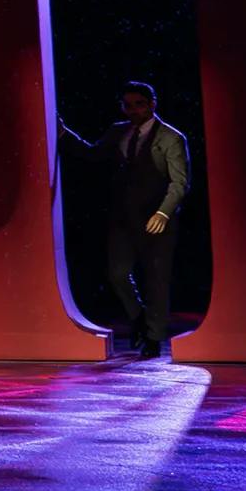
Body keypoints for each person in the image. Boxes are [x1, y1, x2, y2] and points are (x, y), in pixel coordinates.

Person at [65, 80, 192, 358]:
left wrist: (163, 212)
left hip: (156, 220)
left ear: (152, 104)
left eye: (139, 104)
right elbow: (92, 154)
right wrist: (64, 134)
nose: (133, 110)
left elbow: (179, 183)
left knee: (157, 280)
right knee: (117, 274)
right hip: (123, 218)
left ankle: (154, 337)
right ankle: (139, 319)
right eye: (128, 105)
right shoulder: (118, 131)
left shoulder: (170, 138)